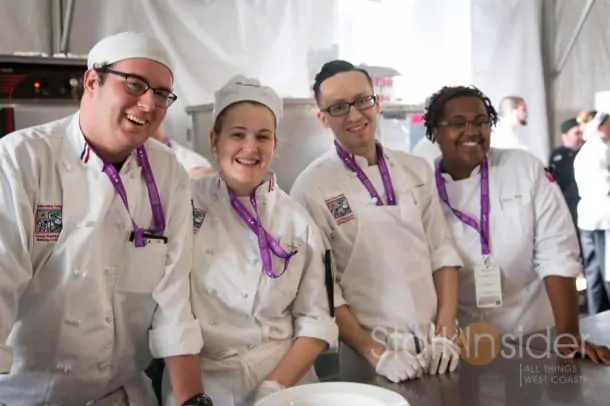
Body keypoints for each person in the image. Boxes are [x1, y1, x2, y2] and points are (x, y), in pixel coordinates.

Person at [0, 32, 210, 405]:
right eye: (134, 84)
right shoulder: (21, 161)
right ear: (92, 81)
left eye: (161, 94)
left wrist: (192, 401)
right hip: (29, 397)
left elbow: (173, 301)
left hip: (123, 395)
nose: (148, 104)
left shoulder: (167, 173)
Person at [161, 76, 338, 406]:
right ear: (214, 140)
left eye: (262, 137)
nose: (250, 147)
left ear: (275, 144)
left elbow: (317, 320)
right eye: (237, 135)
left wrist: (276, 388)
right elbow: (169, 310)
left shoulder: (297, 220)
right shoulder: (183, 205)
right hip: (200, 383)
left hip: (286, 383)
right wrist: (192, 398)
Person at [290, 60, 464, 383]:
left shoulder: (416, 169)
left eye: (362, 101)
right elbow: (325, 290)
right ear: (322, 118)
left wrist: (445, 333)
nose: (355, 115)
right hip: (370, 361)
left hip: (435, 350)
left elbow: (442, 254)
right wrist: (376, 355)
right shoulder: (311, 187)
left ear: (377, 102)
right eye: (339, 107)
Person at [423, 85, 610, 363]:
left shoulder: (523, 168)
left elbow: (557, 251)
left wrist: (568, 334)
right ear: (435, 131)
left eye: (481, 122)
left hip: (532, 333)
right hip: (457, 340)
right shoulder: (421, 183)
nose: (472, 131)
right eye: (458, 123)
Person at [574, 112, 610, 316]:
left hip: (588, 217)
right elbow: (603, 186)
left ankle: (596, 314)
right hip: (603, 218)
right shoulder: (599, 149)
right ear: (599, 127)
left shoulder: (586, 149)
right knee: (606, 271)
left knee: (594, 271)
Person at [548, 118, 584, 231]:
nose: (580, 137)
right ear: (565, 136)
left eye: (581, 133)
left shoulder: (585, 151)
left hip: (581, 199)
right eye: (576, 133)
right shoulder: (557, 154)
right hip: (564, 202)